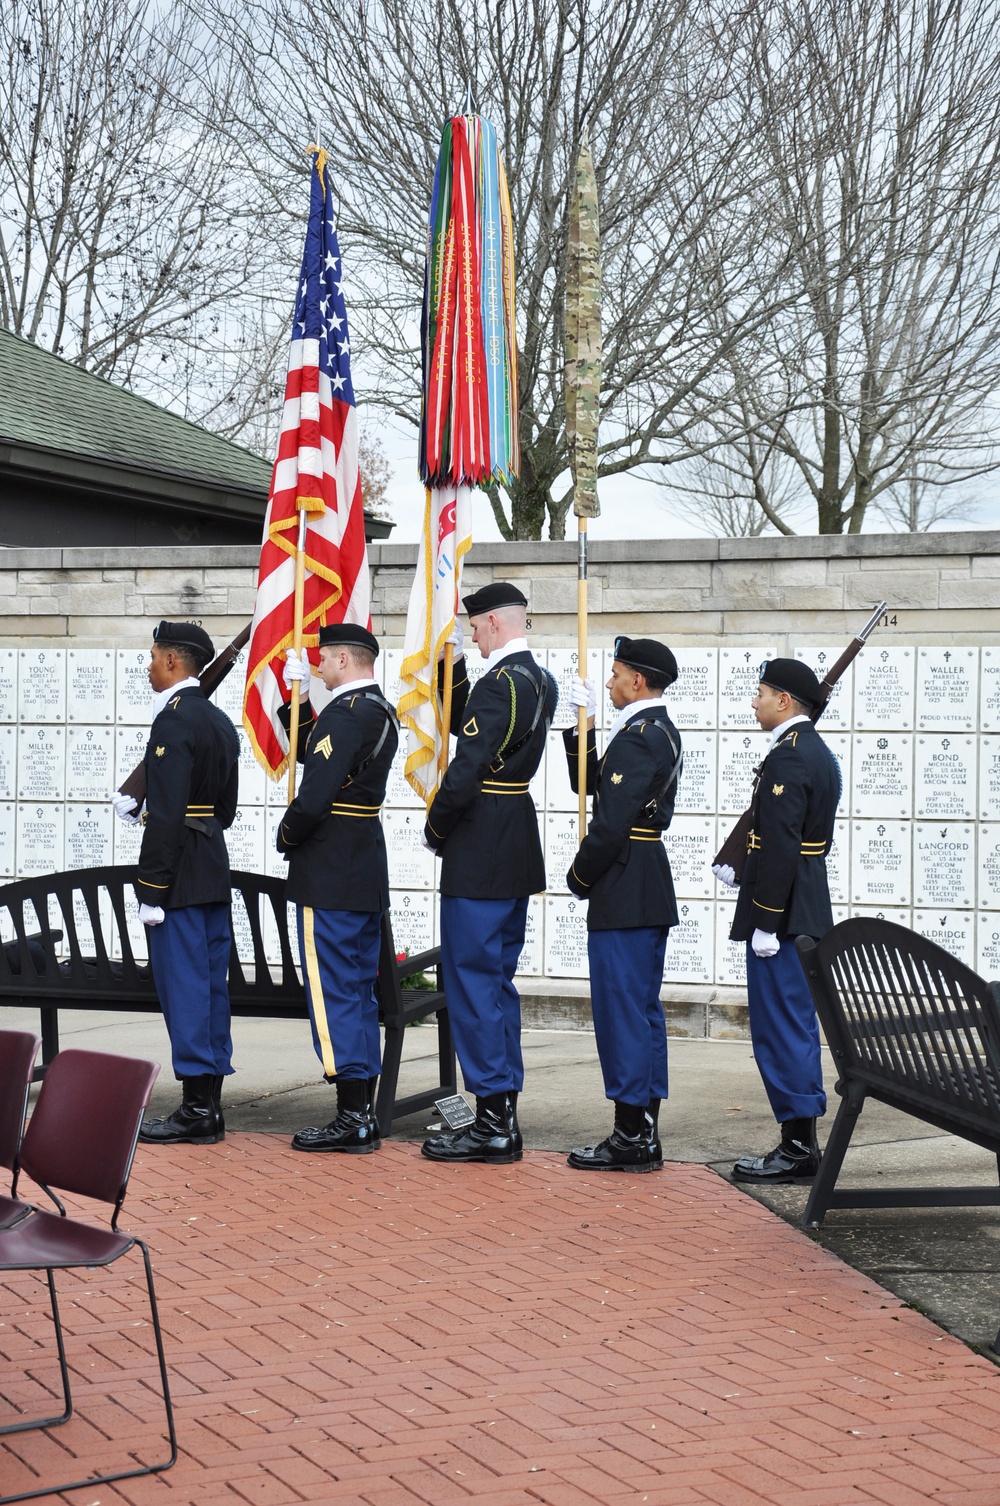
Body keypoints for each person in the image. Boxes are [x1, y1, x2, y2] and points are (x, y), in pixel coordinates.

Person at [421, 582, 557, 1164]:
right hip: (513, 835)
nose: (471, 632)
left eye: (474, 625)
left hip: (481, 841)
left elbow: (468, 764)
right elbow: (472, 729)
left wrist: (436, 826)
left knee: (472, 982)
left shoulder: (501, 684)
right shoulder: (538, 680)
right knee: (496, 983)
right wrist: (449, 667)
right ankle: (501, 1111)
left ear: (496, 622)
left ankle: (491, 1122)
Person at [111, 620, 239, 1145]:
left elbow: (164, 816)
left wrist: (152, 891)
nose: (148, 666)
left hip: (179, 879)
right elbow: (224, 811)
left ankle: (195, 1111)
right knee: (210, 989)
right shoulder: (219, 721)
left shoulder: (173, 721)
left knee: (185, 991)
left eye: (153, 656)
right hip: (211, 865)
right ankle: (208, 1106)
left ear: (173, 662)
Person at [713, 658, 841, 1182]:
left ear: (784, 701)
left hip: (785, 913)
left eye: (760, 693)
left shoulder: (790, 757)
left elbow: (784, 844)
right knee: (791, 1024)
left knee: (781, 1027)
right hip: (802, 903)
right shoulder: (812, 751)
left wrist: (766, 921)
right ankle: (799, 1142)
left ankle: (797, 1148)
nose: (754, 702)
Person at [562, 637, 682, 1172]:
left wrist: (581, 874)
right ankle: (643, 1128)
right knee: (641, 1011)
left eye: (614, 675)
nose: (608, 684)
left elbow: (609, 823)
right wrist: (582, 730)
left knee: (622, 1014)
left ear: (637, 680)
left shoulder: (638, 738)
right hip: (643, 879)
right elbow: (586, 785)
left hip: (624, 881)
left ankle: (630, 1134)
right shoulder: (653, 730)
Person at [277, 624, 398, 1153]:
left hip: (328, 867)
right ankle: (361, 1111)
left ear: (345, 659)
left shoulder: (347, 715)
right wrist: (299, 700)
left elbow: (314, 792)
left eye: (324, 659)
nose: (320, 665)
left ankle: (351, 1116)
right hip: (362, 863)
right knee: (357, 989)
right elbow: (319, 754)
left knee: (332, 992)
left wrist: (287, 833)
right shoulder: (379, 711)